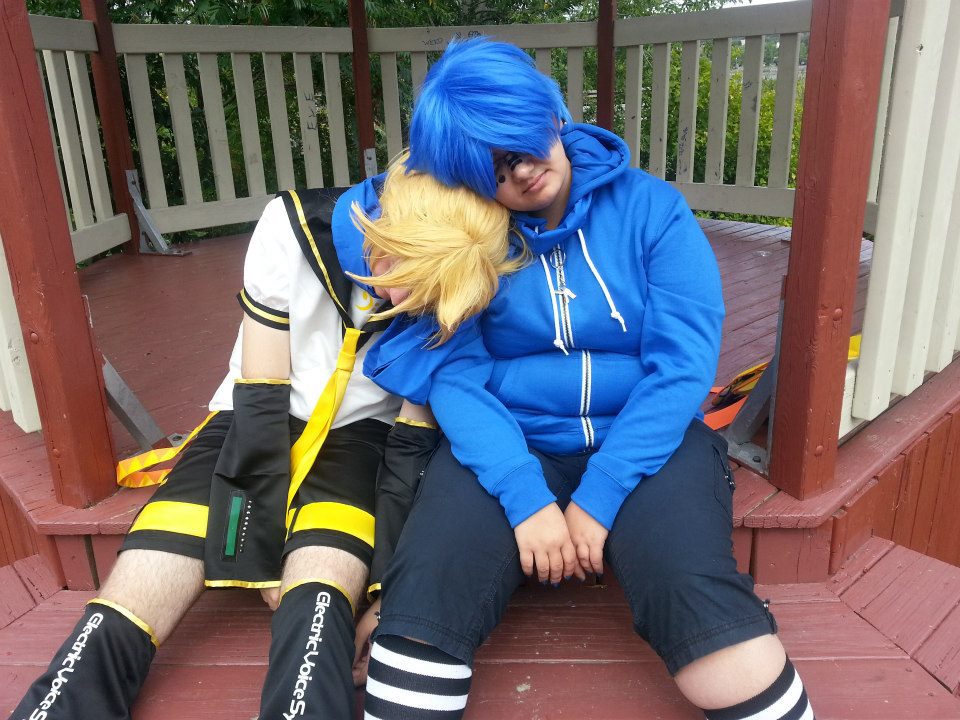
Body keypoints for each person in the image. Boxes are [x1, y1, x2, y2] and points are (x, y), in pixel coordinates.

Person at [360, 39, 815, 720]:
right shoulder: (465, 238)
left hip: (647, 441)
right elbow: (455, 378)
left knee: (691, 590)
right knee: (428, 587)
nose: (520, 171)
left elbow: (681, 369)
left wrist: (597, 498)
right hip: (511, 441)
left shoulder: (652, 211)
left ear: (551, 114)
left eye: (523, 143)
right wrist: (525, 499)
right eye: (491, 167)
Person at [8, 155, 520, 720]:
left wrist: (384, 592)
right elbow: (260, 400)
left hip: (364, 434)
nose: (408, 303)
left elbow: (409, 445)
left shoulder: (453, 282)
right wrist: (253, 553)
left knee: (318, 608)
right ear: (392, 233)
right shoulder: (290, 224)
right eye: (411, 278)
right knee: (140, 580)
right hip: (254, 416)